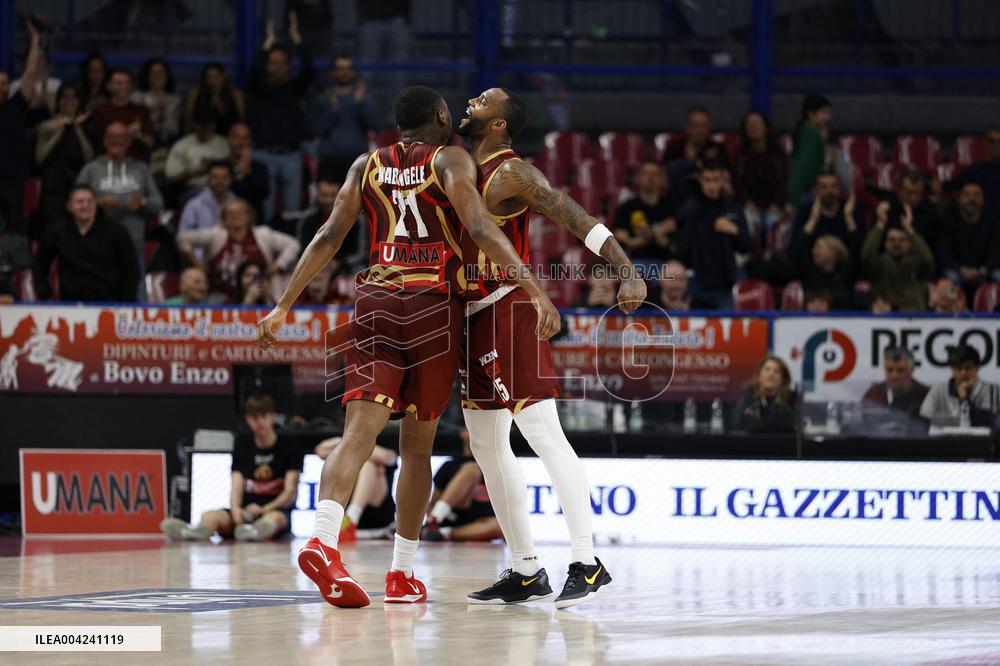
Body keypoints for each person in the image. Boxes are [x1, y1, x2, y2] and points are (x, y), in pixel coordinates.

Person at [255, 85, 560, 609]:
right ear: (441, 116)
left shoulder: (365, 165)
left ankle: (324, 540)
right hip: (430, 309)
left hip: (373, 299)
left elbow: (329, 235)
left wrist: (283, 304)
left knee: (357, 434)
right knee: (417, 446)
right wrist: (534, 288)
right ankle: (401, 573)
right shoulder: (451, 158)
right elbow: (482, 226)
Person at [456, 87, 644, 608]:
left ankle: (587, 562)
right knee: (488, 450)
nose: (473, 100)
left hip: (507, 308)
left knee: (543, 435)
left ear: (499, 125)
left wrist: (627, 272)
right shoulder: (457, 167)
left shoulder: (513, 173)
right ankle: (525, 569)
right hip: (470, 316)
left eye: (485, 101)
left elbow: (577, 218)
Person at [161, 394, 303, 541]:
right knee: (209, 516)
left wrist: (262, 510)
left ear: (273, 417)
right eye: (254, 418)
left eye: (263, 416)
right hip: (244, 513)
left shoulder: (289, 446)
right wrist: (236, 509)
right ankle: (192, 532)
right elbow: (236, 485)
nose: (259, 422)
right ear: (248, 419)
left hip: (273, 510)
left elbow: (290, 493)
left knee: (274, 520)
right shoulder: (242, 445)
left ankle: (255, 531)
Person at [76, 121, 163, 283]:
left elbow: (158, 203)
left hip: (133, 242)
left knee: (137, 294)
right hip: (97, 243)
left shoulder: (141, 169)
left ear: (129, 141)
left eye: (121, 137)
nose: (116, 141)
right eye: (111, 137)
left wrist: (142, 202)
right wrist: (98, 203)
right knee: (99, 292)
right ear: (104, 141)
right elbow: (74, 202)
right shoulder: (91, 169)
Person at [248, 14, 315, 220]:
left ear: (288, 66)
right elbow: (251, 74)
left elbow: (309, 71)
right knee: (264, 212)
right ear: (267, 65)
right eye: (272, 62)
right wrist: (265, 47)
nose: (277, 67)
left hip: (290, 156)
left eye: (282, 63)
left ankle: (293, 251)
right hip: (263, 155)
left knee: (291, 212)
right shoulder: (259, 90)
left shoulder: (294, 89)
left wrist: (297, 39)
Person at [176, 198, 300, 302]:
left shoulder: (263, 234)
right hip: (220, 295)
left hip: (258, 293)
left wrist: (278, 265)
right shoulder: (215, 234)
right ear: (224, 218)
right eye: (231, 213)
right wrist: (198, 264)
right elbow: (182, 239)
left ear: (249, 216)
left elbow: (294, 244)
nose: (235, 216)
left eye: (240, 212)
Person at [33, 185, 139, 302]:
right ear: (69, 206)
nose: (85, 206)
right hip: (70, 306)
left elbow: (132, 270)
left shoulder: (117, 232)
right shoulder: (56, 232)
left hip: (109, 305)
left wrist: (125, 303)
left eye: (90, 201)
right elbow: (39, 264)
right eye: (79, 202)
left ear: (96, 205)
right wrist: (44, 294)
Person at [674, 161, 751, 309]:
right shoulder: (690, 208)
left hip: (725, 284)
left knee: (727, 328)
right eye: (707, 180)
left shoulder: (733, 207)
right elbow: (680, 246)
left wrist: (734, 230)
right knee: (692, 330)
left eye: (715, 180)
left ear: (722, 181)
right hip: (695, 282)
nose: (711, 185)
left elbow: (746, 246)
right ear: (700, 181)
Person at [0, 20, 44, 233]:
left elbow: (31, 70)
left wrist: (35, 40)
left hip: (11, 180)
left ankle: (20, 266)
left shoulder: (16, 106)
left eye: (5, 83)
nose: (3, 87)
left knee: (16, 229)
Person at [422, 428, 502, 543]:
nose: (477, 430)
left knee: (499, 526)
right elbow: (433, 500)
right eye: (471, 427)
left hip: (477, 523)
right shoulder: (449, 465)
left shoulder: (496, 467)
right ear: (462, 433)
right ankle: (434, 520)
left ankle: (443, 533)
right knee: (471, 469)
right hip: (451, 516)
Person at [309, 56, 380, 183]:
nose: (344, 72)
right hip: (329, 159)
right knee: (329, 200)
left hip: (357, 159)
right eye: (340, 68)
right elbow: (315, 131)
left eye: (348, 69)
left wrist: (359, 105)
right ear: (332, 72)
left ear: (353, 72)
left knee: (356, 202)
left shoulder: (364, 99)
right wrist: (332, 110)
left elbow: (377, 126)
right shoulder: (322, 99)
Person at [314, 436, 398, 540]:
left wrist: (347, 447)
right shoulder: (348, 433)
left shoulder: (382, 435)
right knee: (342, 463)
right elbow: (321, 450)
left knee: (367, 465)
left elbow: (389, 458)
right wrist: (347, 440)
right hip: (345, 501)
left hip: (377, 507)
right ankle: (341, 522)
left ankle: (352, 518)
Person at [35, 83, 95, 227]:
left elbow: (89, 157)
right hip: (54, 187)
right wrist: (59, 131)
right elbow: (40, 157)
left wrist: (76, 127)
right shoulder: (47, 126)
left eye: (74, 97)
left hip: (78, 183)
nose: (69, 101)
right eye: (65, 97)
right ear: (58, 101)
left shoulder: (86, 125)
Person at [862, 202, 934, 312]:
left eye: (902, 240)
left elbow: (927, 259)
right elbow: (866, 256)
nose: (896, 244)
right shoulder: (879, 264)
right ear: (885, 243)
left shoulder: (916, 264)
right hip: (885, 316)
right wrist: (880, 224)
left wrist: (909, 229)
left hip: (914, 317)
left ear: (909, 243)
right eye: (891, 240)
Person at [937, 181, 1000, 303]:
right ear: (959, 199)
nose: (972, 199)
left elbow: (997, 254)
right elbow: (943, 255)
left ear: (982, 199)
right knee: (949, 279)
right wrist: (962, 269)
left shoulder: (992, 223)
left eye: (976, 195)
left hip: (984, 270)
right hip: (957, 270)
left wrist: (983, 270)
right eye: (967, 195)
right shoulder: (948, 222)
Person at [788, 170, 861, 267]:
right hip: (811, 270)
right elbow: (796, 252)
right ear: (815, 191)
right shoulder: (805, 211)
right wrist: (813, 219)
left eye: (834, 186)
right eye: (824, 187)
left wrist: (849, 218)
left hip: (845, 270)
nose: (829, 191)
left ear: (840, 189)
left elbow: (859, 253)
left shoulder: (850, 210)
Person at [356, 0, 411, 124]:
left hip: (396, 18)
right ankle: (363, 116)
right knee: (366, 73)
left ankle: (396, 118)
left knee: (398, 74)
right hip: (370, 18)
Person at [661, 106, 730, 204]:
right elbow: (664, 177)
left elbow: (726, 177)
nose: (699, 131)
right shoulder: (674, 147)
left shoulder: (717, 148)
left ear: (709, 128)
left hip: (712, 203)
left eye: (703, 126)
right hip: (678, 202)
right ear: (686, 126)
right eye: (694, 125)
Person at [734, 110, 788, 232]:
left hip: (774, 205)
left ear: (765, 127)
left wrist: (776, 204)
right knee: (751, 222)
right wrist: (747, 203)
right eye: (749, 124)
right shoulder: (741, 154)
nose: (753, 127)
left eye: (757, 123)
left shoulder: (777, 153)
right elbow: (737, 182)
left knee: (773, 222)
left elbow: (783, 181)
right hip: (749, 205)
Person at [920, 345, 999, 428]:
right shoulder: (938, 389)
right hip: (944, 439)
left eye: (968, 368)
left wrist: (963, 397)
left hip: (981, 440)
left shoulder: (990, 389)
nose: (963, 373)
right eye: (958, 368)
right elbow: (924, 418)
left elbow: (988, 421)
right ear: (952, 369)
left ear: (977, 368)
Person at [297, 177, 363, 271]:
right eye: (324, 195)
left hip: (345, 268)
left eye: (332, 195)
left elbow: (359, 253)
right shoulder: (307, 219)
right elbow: (300, 248)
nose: (328, 200)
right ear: (317, 195)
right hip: (311, 266)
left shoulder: (356, 220)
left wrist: (339, 263)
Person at [88, 67, 154, 160]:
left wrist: (137, 135)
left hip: (134, 162)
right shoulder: (99, 111)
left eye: (128, 83)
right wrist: (126, 133)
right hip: (105, 162)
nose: (124, 87)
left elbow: (150, 142)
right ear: (108, 86)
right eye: (119, 83)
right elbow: (97, 142)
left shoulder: (141, 110)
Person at [613, 160, 675, 261]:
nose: (650, 178)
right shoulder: (628, 207)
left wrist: (644, 236)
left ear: (661, 178)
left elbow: (673, 242)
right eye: (646, 173)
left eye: (654, 174)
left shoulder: (670, 206)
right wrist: (657, 233)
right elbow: (622, 239)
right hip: (634, 261)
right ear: (639, 178)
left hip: (666, 263)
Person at [165, 109, 230, 201]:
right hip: (195, 189)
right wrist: (192, 173)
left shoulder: (224, 144)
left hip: (224, 188)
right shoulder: (182, 145)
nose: (206, 127)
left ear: (214, 124)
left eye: (209, 123)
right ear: (194, 124)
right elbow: (171, 177)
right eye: (202, 124)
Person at [786, 93, 831, 208]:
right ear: (810, 114)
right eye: (824, 113)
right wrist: (793, 198)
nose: (828, 118)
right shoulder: (810, 133)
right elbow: (802, 166)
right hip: (803, 194)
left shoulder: (809, 132)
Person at [730, 355, 796, 433]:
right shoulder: (747, 396)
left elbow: (791, 426)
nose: (771, 374)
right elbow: (737, 425)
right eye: (767, 369)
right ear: (758, 375)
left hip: (782, 443)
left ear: (783, 378)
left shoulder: (791, 398)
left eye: (776, 371)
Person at [944, 127, 1000, 219]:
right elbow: (950, 186)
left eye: (999, 141)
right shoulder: (976, 170)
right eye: (992, 141)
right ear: (986, 144)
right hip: (983, 224)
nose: (996, 145)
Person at [861, 346, 928, 420]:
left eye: (900, 370)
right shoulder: (874, 395)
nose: (894, 376)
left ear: (910, 371)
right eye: (890, 370)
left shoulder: (925, 396)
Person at [794, 233, 853, 311]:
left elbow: (855, 245)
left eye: (819, 248)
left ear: (833, 252)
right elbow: (799, 250)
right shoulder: (810, 274)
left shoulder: (846, 275)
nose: (814, 251)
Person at [183, 62, 246, 135]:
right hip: (202, 137)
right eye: (210, 77)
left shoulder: (236, 95)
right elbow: (188, 121)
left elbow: (241, 121)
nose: (214, 81)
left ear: (223, 76)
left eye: (218, 76)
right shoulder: (195, 94)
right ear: (205, 80)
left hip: (229, 137)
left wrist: (221, 106)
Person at [132, 57, 181, 148]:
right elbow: (136, 126)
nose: (157, 77)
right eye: (153, 73)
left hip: (167, 142)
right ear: (147, 76)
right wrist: (155, 114)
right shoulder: (137, 97)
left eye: (160, 73)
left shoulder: (175, 100)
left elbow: (174, 130)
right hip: (142, 142)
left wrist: (164, 112)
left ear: (167, 76)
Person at [226, 121, 269, 224]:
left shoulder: (259, 168)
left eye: (245, 138)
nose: (241, 142)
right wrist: (240, 170)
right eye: (236, 137)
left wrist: (247, 170)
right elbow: (230, 193)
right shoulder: (222, 166)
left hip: (254, 222)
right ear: (229, 139)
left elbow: (264, 193)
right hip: (227, 221)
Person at [178, 162, 235, 232]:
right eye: (215, 177)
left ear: (231, 180)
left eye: (224, 177)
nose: (220, 181)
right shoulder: (193, 205)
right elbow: (183, 237)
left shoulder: (238, 205)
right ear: (208, 179)